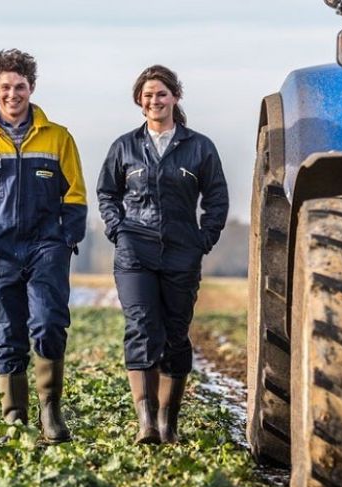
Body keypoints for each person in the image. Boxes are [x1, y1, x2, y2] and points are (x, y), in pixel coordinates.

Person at [0, 49, 87, 443]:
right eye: (5, 87)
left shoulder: (59, 138)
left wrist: (67, 240)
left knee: (49, 323)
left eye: (20, 86)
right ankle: (15, 419)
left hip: (46, 247)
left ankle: (50, 412)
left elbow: (75, 196)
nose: (13, 94)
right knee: (7, 333)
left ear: (32, 88)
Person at [97, 65, 229, 444]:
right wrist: (118, 230)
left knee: (175, 334)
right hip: (134, 252)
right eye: (148, 95)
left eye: (161, 94)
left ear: (175, 97)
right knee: (141, 327)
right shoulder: (124, 147)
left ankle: (168, 425)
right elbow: (107, 193)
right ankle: (146, 424)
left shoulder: (199, 147)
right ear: (140, 101)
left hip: (181, 253)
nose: (155, 101)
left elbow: (217, 197)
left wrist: (204, 239)